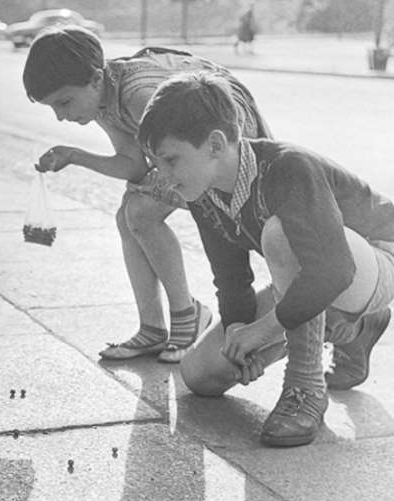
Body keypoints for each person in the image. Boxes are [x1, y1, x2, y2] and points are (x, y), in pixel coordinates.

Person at [137, 71, 394, 447]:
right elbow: (230, 277)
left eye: (171, 160)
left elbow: (335, 270)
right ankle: (352, 329)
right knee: (201, 375)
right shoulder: (204, 192)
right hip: (318, 274)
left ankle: (305, 388)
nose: (165, 176)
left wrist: (265, 332)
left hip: (375, 260)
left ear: (214, 144)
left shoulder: (287, 167)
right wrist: (242, 333)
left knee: (280, 233)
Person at [22, 26, 271, 363]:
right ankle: (153, 328)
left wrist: (146, 190)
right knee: (129, 215)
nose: (61, 115)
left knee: (139, 211)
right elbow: (134, 164)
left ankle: (188, 316)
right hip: (196, 155)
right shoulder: (103, 95)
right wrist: (74, 156)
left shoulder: (139, 95)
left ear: (96, 79)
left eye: (64, 102)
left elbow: (183, 163)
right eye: (53, 108)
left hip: (227, 154)